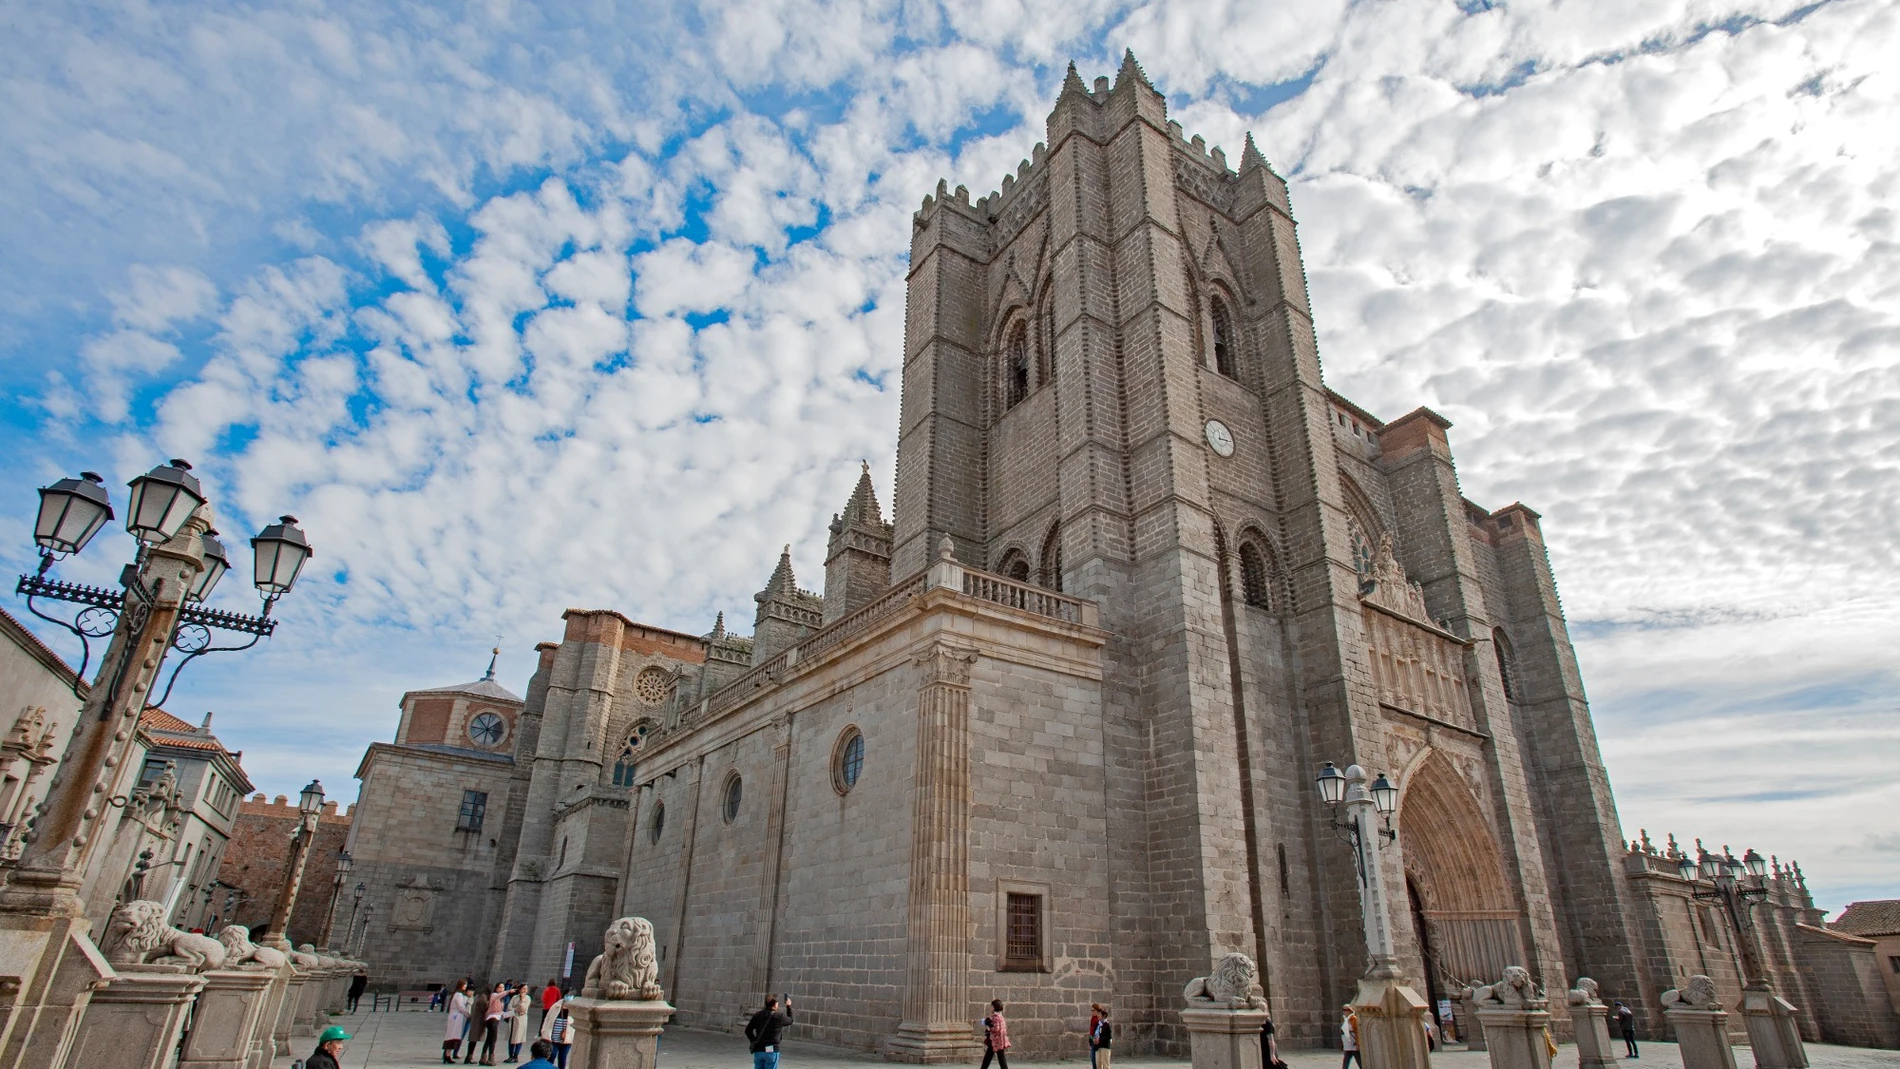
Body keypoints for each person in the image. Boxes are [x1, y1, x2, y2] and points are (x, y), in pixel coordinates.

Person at [746, 994, 795, 1069]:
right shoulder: (779, 1016)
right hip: (771, 1050)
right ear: (775, 1004)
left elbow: (748, 1030)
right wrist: (788, 1006)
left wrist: (754, 1040)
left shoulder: (757, 1015)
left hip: (758, 1050)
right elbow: (790, 1020)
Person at [540, 999, 575, 1069]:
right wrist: (544, 1031)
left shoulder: (575, 1008)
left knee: (562, 1057)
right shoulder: (556, 1006)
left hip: (567, 1039)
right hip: (553, 1038)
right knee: (552, 1055)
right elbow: (547, 1018)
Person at [445, 982, 473, 1063]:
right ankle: (447, 1055)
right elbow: (461, 1007)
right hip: (456, 1017)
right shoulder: (459, 995)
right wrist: (468, 1015)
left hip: (456, 1017)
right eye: (464, 985)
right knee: (452, 1036)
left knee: (452, 1036)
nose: (465, 986)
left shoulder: (458, 994)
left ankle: (448, 1054)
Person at [979, 1000, 1010, 1069]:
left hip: (995, 1041)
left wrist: (989, 1027)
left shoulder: (996, 1017)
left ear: (994, 1007)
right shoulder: (1001, 1016)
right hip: (1000, 1040)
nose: (991, 1008)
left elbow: (996, 1029)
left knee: (989, 1058)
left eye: (991, 1006)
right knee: (1000, 1058)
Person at [508, 983, 532, 1061]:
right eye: (523, 989)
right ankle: (510, 1055)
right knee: (511, 1037)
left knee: (520, 1037)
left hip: (522, 1019)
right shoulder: (515, 997)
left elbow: (524, 1008)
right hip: (514, 1018)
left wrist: (521, 1000)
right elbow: (509, 1007)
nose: (525, 990)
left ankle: (516, 1056)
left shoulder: (527, 998)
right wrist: (516, 1009)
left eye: (526, 989)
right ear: (520, 989)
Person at [1340, 1005, 1360, 1069]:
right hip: (1347, 1043)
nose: (1344, 1012)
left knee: (1358, 1059)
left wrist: (1357, 1043)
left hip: (1353, 1042)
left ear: (1350, 1011)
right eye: (1343, 1010)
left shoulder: (1353, 1018)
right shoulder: (1344, 1019)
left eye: (1346, 1010)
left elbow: (1357, 1031)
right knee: (1346, 1060)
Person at [1087, 1004, 1104, 1069]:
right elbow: (1091, 1029)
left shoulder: (1099, 1019)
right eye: (1091, 1010)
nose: (1092, 1012)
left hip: (1098, 1041)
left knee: (1097, 1061)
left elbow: (1101, 1030)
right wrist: (1090, 1041)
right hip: (1092, 1040)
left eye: (1093, 1010)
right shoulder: (1093, 1018)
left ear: (1097, 1011)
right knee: (1093, 1059)